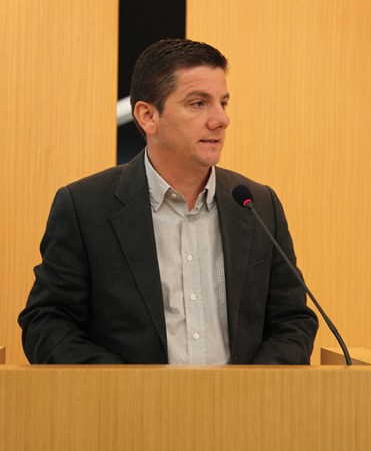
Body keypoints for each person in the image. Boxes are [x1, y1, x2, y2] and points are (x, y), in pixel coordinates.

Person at [19, 39, 317, 364]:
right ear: (148, 116)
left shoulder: (258, 204)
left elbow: (292, 320)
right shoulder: (85, 207)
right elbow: (47, 323)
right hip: (128, 397)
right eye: (198, 103)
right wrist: (124, 386)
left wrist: (253, 388)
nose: (221, 120)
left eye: (223, 103)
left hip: (242, 397)